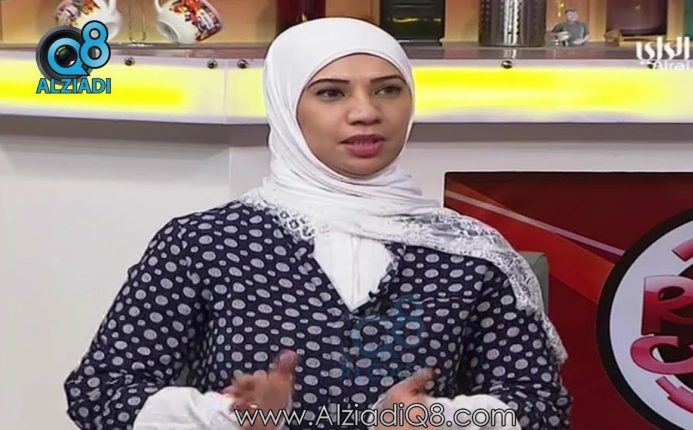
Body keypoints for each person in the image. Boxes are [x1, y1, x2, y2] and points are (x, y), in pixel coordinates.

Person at [63, 17, 571, 430]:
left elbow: (541, 406)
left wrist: (441, 421)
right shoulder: (205, 244)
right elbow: (101, 392)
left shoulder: (469, 254)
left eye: (388, 90)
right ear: (288, 107)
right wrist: (227, 418)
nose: (365, 112)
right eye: (331, 93)